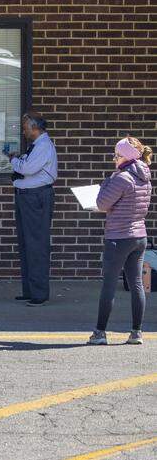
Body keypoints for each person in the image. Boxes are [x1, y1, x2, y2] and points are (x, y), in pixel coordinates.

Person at [88, 137, 151, 346]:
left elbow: (101, 203)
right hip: (139, 237)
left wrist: (108, 180)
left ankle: (100, 333)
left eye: (116, 154)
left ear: (125, 156)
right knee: (136, 285)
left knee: (108, 285)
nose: (114, 158)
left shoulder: (122, 178)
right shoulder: (144, 177)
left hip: (118, 237)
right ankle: (136, 333)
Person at [5, 111, 57, 307]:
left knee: (36, 245)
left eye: (26, 127)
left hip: (36, 198)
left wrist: (13, 160)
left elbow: (27, 169)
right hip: (28, 197)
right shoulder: (36, 146)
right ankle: (30, 290)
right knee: (26, 245)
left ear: (35, 128)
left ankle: (39, 294)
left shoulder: (43, 146)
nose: (24, 131)